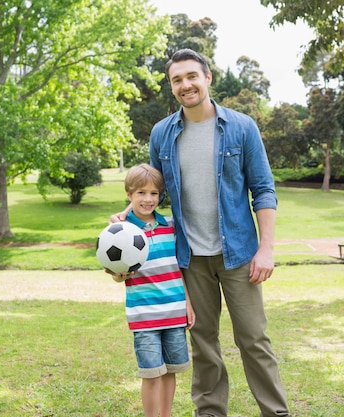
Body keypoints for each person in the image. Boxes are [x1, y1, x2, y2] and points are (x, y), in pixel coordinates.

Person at [113, 49, 291, 417]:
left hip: (239, 254)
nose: (185, 85)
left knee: (254, 340)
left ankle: (276, 413)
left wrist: (266, 248)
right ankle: (210, 413)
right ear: (171, 86)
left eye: (192, 76)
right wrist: (127, 218)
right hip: (190, 258)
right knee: (203, 344)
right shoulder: (163, 133)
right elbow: (153, 190)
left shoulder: (241, 127)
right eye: (177, 79)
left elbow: (264, 189)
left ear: (208, 78)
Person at [106, 163, 195, 417]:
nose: (148, 199)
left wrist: (188, 303)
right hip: (144, 316)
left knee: (170, 371)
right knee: (152, 374)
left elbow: (179, 269)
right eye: (141, 193)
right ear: (129, 194)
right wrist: (119, 276)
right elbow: (116, 275)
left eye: (154, 193)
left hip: (174, 311)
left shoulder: (170, 226)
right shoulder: (121, 232)